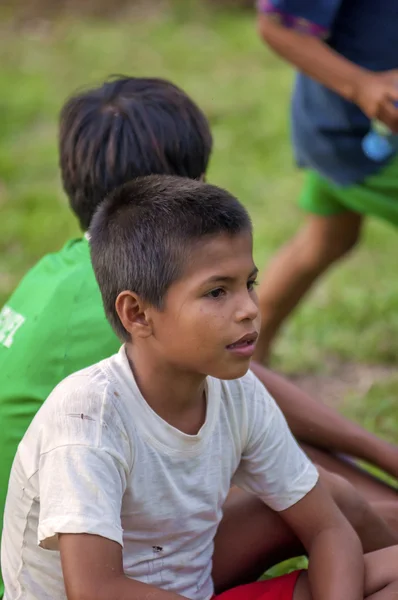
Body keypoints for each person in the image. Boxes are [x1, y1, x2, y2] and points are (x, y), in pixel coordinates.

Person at [0, 76, 397, 596]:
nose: (250, 309)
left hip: (170, 565)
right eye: (217, 292)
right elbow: (95, 589)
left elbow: (315, 507)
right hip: (98, 556)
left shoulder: (79, 279)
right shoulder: (90, 401)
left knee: (328, 501)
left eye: (249, 285)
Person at [254, 0, 398, 363]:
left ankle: (246, 365)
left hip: (347, 135)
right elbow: (276, 26)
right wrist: (362, 86)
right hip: (363, 137)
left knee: (323, 242)